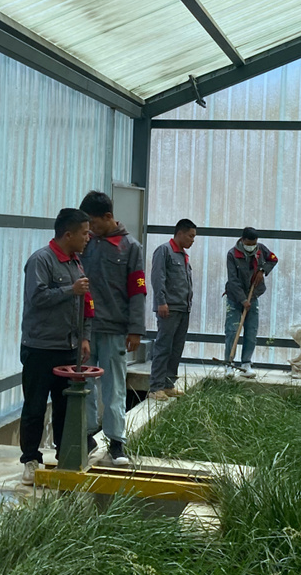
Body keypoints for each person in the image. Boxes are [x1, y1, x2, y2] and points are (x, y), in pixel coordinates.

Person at [18, 208, 93, 484]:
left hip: (67, 348)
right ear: (68, 235)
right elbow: (37, 298)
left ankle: (67, 457)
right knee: (35, 407)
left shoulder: (76, 263)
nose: (88, 238)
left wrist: (84, 337)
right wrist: (70, 290)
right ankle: (30, 460)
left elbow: (86, 302)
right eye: (84, 233)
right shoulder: (41, 260)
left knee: (65, 407)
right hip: (40, 349)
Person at [78, 190, 145, 466]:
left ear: (108, 217)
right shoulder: (85, 244)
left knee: (114, 387)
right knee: (82, 384)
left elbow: (138, 290)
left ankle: (116, 442)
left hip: (115, 330)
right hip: (85, 329)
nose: (89, 229)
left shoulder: (131, 248)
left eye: (93, 223)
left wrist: (135, 329)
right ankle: (85, 435)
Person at [149, 219, 196, 401]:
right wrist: (161, 302)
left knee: (176, 347)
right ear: (180, 233)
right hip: (169, 308)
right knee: (163, 346)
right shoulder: (164, 251)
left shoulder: (183, 255)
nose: (192, 240)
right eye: (190, 236)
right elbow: (158, 277)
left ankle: (168, 384)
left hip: (183, 308)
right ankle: (156, 387)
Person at [223, 226, 278, 378]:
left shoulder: (261, 249)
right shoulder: (232, 254)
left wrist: (262, 270)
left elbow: (273, 259)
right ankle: (229, 364)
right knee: (232, 331)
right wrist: (242, 300)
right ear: (242, 240)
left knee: (251, 331)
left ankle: (246, 363)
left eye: (254, 243)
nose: (252, 246)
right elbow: (233, 280)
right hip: (235, 298)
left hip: (253, 296)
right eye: (249, 243)